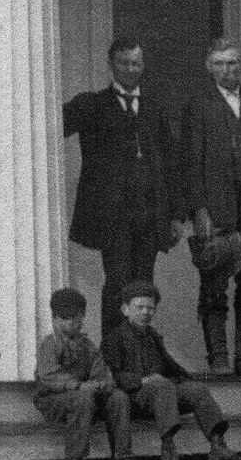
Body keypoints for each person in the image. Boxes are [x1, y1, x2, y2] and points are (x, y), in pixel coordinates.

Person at [170, 36, 241, 378]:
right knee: (214, 285)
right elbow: (190, 162)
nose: (226, 69)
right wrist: (198, 210)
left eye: (233, 62)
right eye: (219, 64)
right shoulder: (198, 105)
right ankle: (219, 360)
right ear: (209, 67)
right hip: (216, 210)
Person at [62, 36, 184, 337]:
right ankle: (114, 352)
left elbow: (171, 162)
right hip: (113, 216)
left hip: (149, 213)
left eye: (136, 63)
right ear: (111, 65)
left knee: (144, 286)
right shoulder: (92, 105)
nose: (131, 69)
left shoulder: (155, 107)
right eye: (124, 63)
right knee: (117, 284)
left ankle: (138, 351)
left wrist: (175, 215)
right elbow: (45, 123)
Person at [102, 281, 241, 460]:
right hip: (133, 398)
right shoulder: (114, 339)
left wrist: (185, 379)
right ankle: (168, 446)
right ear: (125, 309)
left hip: (162, 397)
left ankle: (218, 445)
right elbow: (112, 375)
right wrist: (143, 381)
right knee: (161, 385)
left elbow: (169, 367)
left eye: (150, 308)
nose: (145, 312)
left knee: (196, 390)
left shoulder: (152, 336)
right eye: (139, 307)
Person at [32, 286, 127, 460]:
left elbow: (102, 373)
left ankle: (123, 457)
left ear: (82, 317)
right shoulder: (50, 344)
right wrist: (79, 386)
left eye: (76, 317)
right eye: (65, 318)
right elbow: (49, 376)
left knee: (118, 397)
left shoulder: (88, 346)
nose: (72, 322)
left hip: (85, 396)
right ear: (55, 319)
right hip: (52, 399)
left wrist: (100, 384)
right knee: (81, 398)